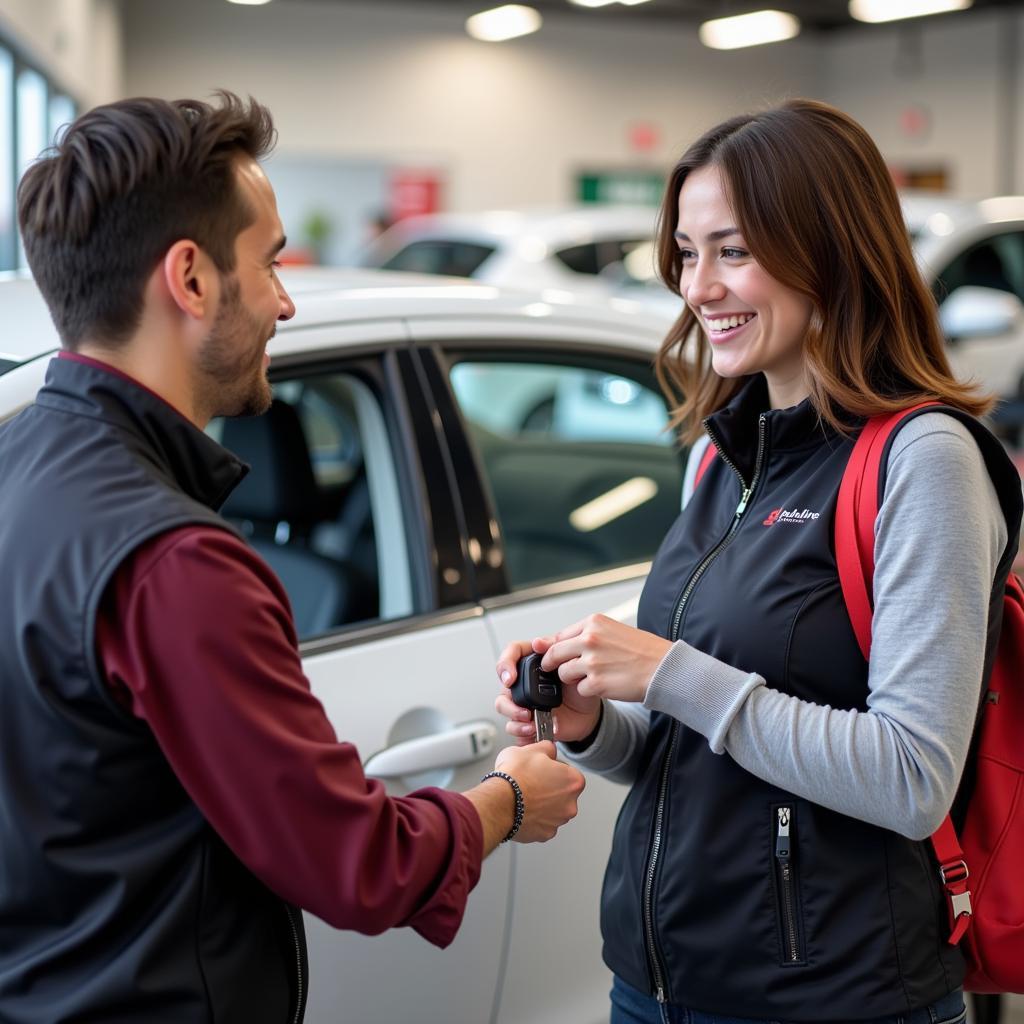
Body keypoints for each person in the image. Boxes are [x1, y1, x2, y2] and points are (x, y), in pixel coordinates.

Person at [0, 92, 584, 1023]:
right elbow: (358, 863)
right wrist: (507, 800)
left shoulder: (17, 466)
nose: (285, 298)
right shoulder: (176, 566)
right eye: (269, 261)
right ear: (189, 280)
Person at [496, 98, 1022, 1024]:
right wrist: (594, 725)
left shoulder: (922, 461)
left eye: (733, 250)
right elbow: (690, 744)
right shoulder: (720, 454)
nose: (700, 289)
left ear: (832, 247)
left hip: (834, 998)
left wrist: (669, 670)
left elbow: (910, 776)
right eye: (688, 255)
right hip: (658, 986)